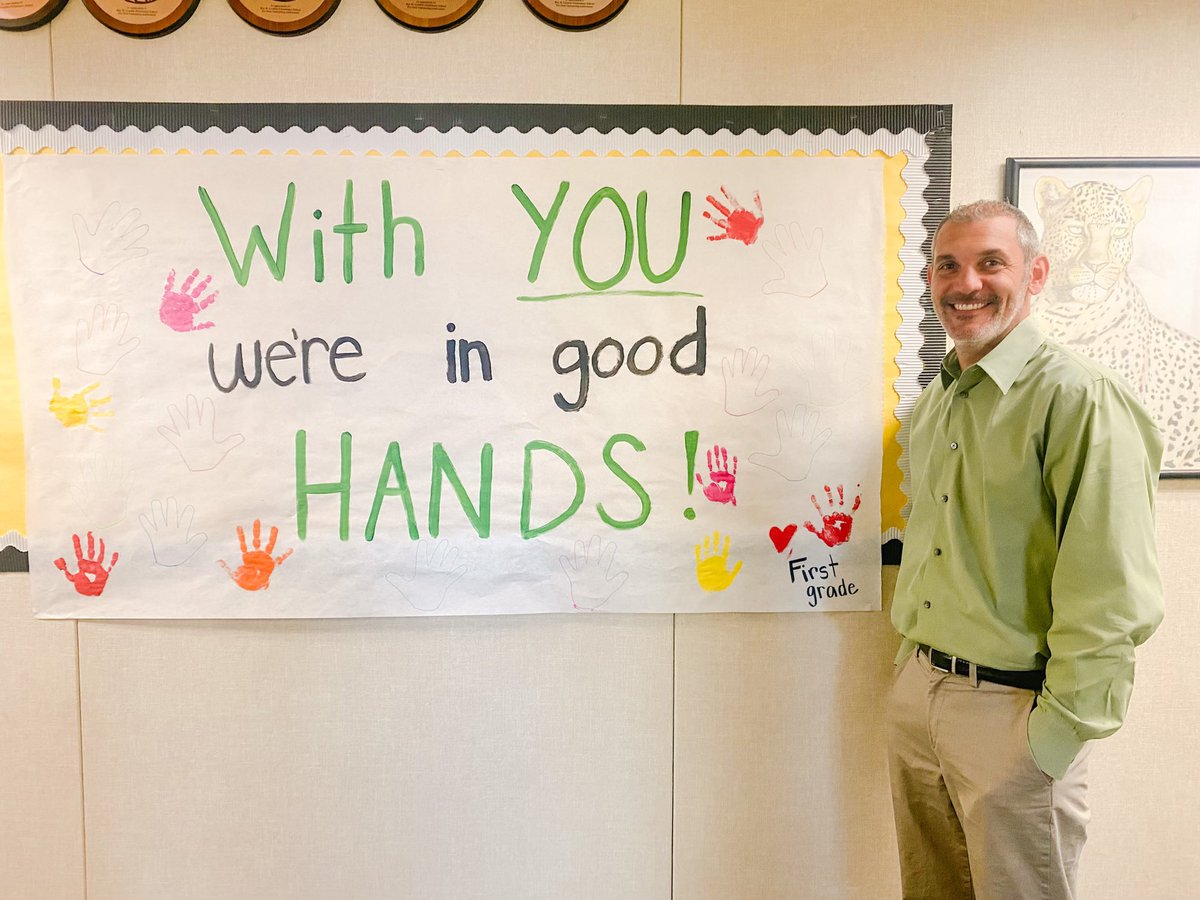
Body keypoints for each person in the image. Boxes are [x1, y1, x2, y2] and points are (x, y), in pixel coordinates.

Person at [886, 200, 1164, 899]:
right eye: (948, 266)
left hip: (1013, 714)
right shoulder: (937, 403)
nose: (966, 283)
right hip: (921, 699)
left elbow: (1110, 591)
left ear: (1036, 274)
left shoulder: (1080, 399)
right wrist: (909, 682)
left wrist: (1055, 739)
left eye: (990, 263)